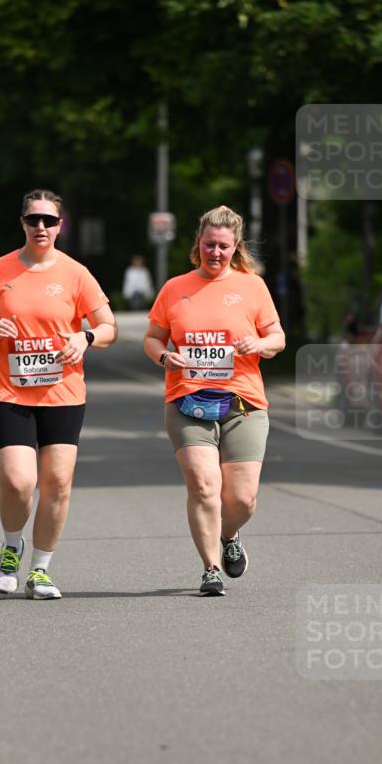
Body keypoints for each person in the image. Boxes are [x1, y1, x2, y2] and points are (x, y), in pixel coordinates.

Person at [0, 188, 117, 599]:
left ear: (60, 225)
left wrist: (85, 336)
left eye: (49, 221)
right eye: (33, 219)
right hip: (10, 391)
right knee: (18, 482)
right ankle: (11, 545)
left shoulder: (76, 273)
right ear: (22, 223)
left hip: (63, 393)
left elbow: (108, 327)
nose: (41, 227)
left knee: (57, 483)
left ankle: (40, 569)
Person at [143, 205, 285, 596]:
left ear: (235, 246)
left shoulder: (252, 286)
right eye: (209, 245)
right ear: (198, 244)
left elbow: (278, 337)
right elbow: (153, 337)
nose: (215, 252)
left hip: (243, 402)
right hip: (187, 400)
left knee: (242, 497)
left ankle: (229, 533)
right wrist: (163, 355)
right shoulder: (175, 288)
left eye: (223, 246)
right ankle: (210, 569)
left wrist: (259, 343)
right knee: (204, 487)